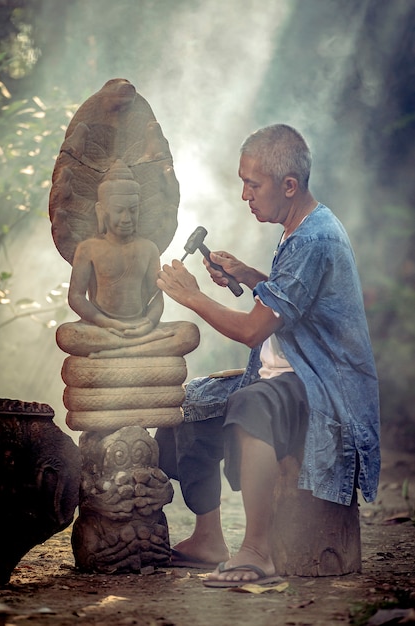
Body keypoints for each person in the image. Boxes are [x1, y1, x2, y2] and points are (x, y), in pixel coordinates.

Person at [155, 124, 380, 586]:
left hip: (322, 382)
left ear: (289, 186)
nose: (244, 195)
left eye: (252, 184)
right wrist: (250, 274)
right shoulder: (297, 227)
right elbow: (295, 299)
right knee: (192, 405)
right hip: (289, 366)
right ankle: (208, 535)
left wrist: (193, 297)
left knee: (251, 404)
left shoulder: (314, 239)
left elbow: (254, 328)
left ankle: (257, 550)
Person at [56, 159, 199, 358]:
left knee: (189, 333)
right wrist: (107, 323)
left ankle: (119, 350)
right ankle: (140, 349)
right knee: (66, 335)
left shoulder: (148, 248)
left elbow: (156, 297)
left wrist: (148, 323)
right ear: (101, 211)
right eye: (118, 211)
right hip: (103, 328)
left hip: (141, 327)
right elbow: (76, 297)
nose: (126, 218)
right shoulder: (88, 248)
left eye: (133, 210)